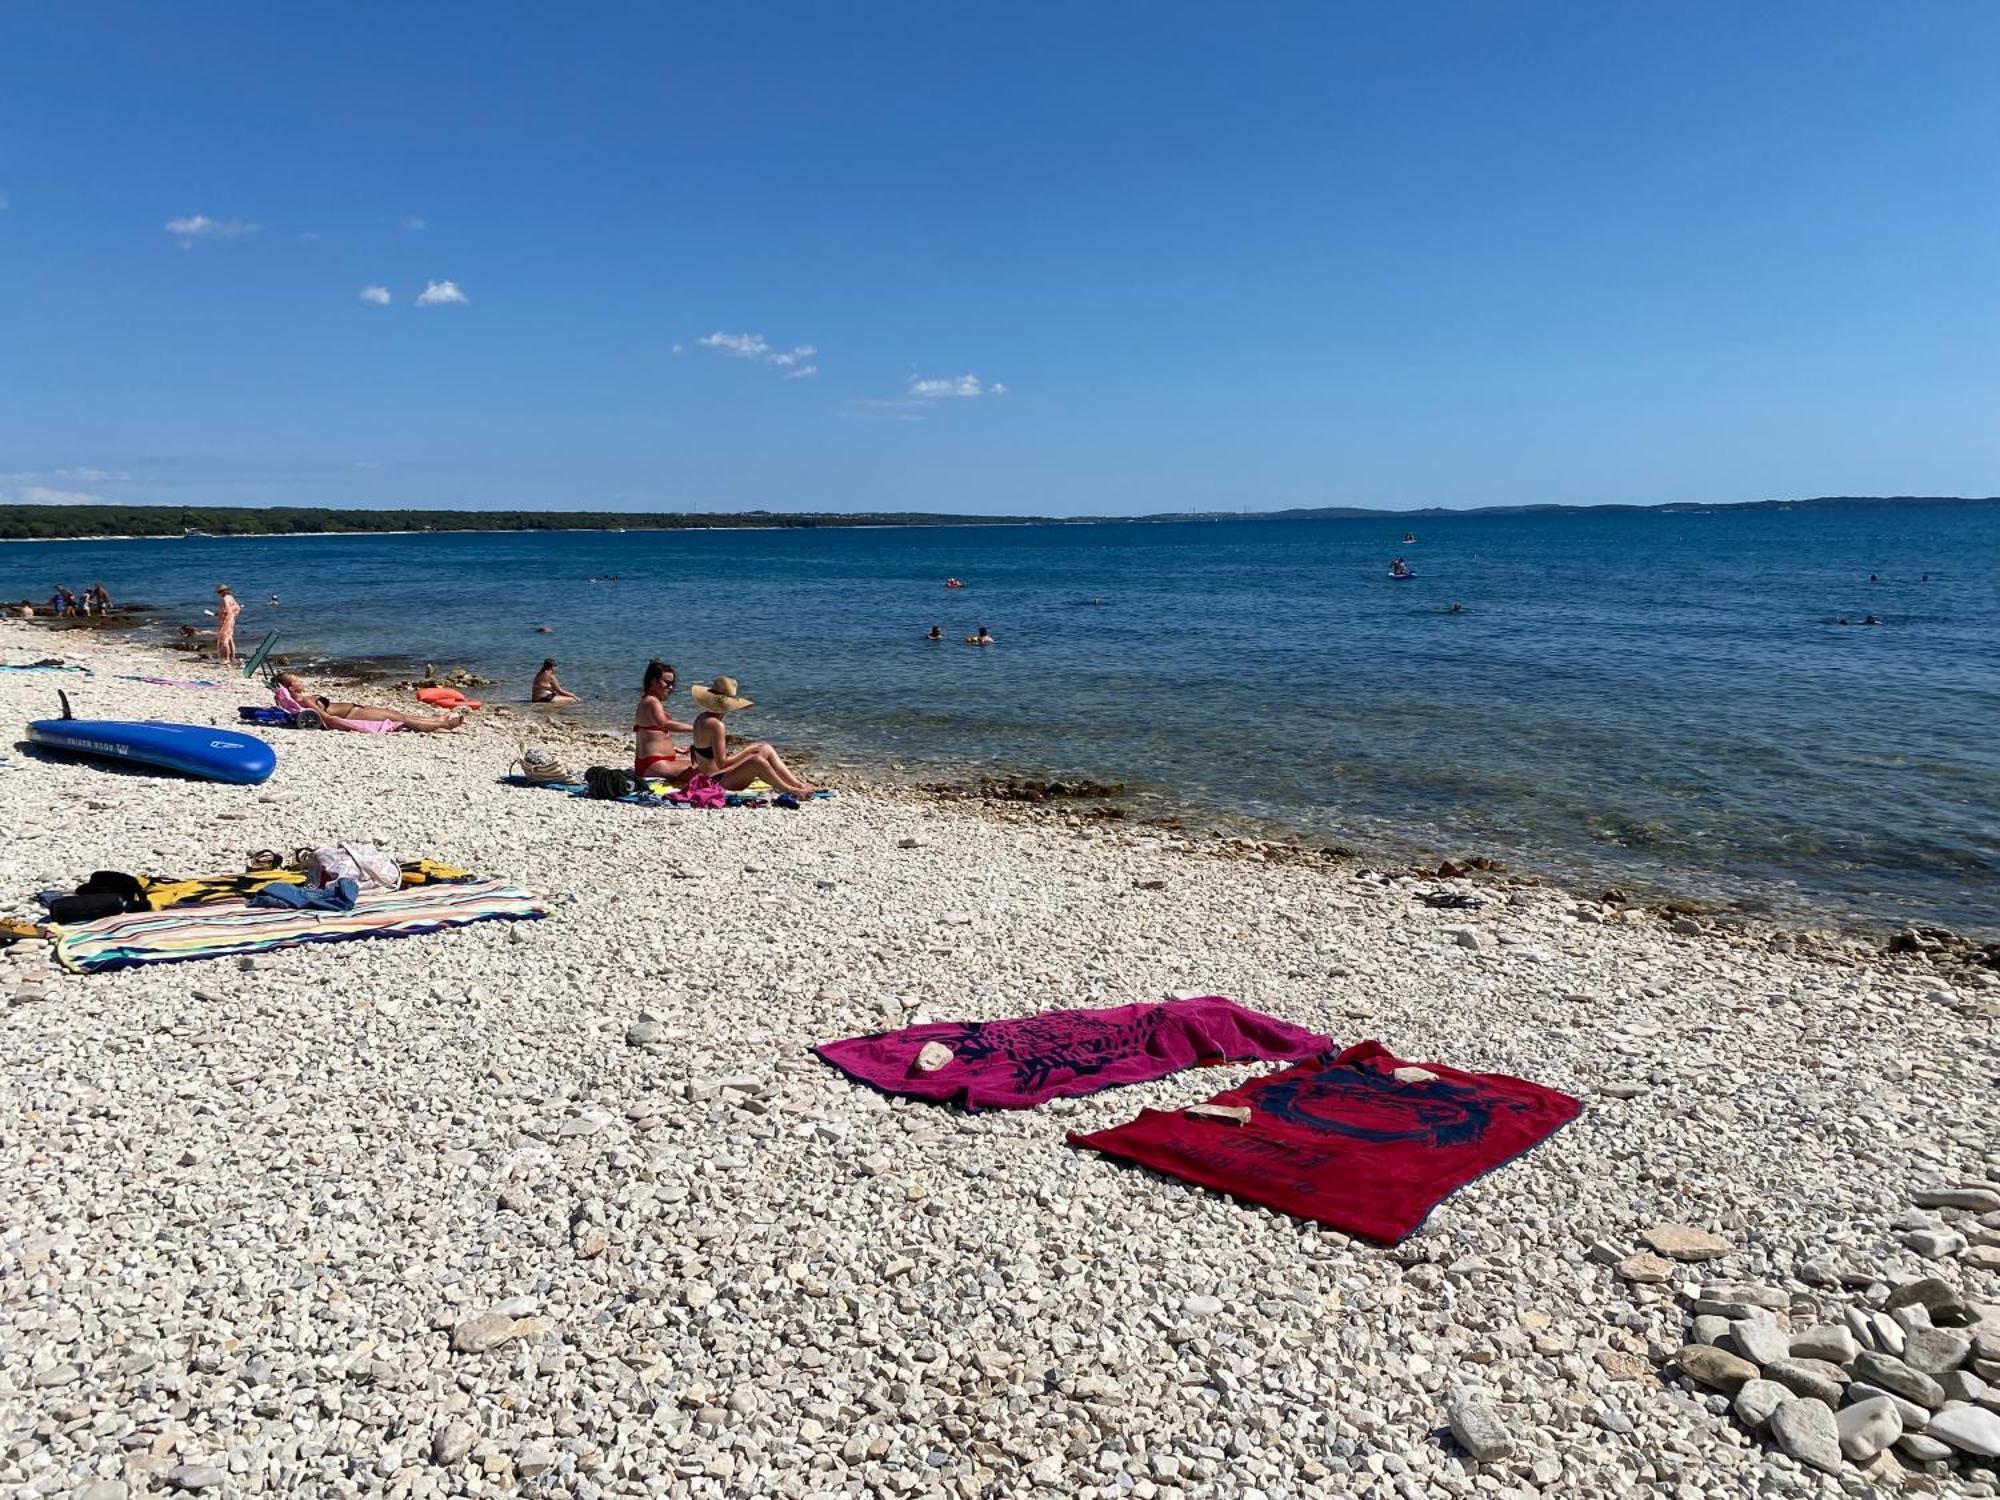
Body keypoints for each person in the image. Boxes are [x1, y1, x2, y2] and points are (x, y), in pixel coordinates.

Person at [686, 676, 818, 794]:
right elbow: (722, 764)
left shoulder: (701, 718)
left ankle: (798, 784)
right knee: (757, 761)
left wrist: (752, 750)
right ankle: (792, 790)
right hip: (716, 781)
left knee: (765, 748)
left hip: (715, 775)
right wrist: (748, 751)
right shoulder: (716, 725)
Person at [274, 673, 465, 731]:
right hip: (354, 714)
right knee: (402, 718)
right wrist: (354, 728)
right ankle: (443, 723)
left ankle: (435, 720)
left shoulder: (300, 699)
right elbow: (328, 719)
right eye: (296, 679)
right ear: (291, 688)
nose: (300, 680)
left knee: (399, 715)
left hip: (355, 710)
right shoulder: (306, 701)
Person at [632, 659, 693, 780]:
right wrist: (696, 728)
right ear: (653, 681)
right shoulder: (652, 701)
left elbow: (652, 734)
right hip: (654, 764)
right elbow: (664, 724)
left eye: (672, 684)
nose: (670, 687)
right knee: (708, 769)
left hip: (653, 761)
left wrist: (673, 749)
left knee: (705, 762)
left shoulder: (648, 701)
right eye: (667, 682)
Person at [214, 584, 242, 665]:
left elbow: (226, 611)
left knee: (224, 640)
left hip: (226, 621)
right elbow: (237, 608)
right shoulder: (231, 597)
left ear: (221, 592)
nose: (218, 594)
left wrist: (221, 617)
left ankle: (226, 658)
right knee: (230, 639)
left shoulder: (224, 599)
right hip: (231, 620)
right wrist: (233, 616)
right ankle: (232, 657)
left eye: (219, 592)